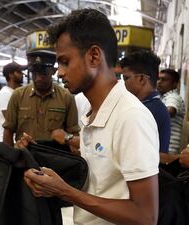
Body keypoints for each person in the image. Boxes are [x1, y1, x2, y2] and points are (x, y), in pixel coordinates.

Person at [23, 9, 159, 225]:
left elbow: (145, 216)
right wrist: (38, 153)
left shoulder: (130, 117)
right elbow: (99, 181)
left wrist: (66, 192)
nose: (59, 73)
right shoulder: (94, 111)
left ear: (94, 56)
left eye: (65, 62)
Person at [2, 49, 79, 147]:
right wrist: (9, 158)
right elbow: (8, 130)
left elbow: (74, 133)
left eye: (43, 74)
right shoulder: (18, 95)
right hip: (24, 157)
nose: (38, 78)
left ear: (53, 71)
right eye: (34, 73)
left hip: (55, 158)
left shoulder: (66, 98)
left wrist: (67, 137)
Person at [119, 50, 172, 163]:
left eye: (126, 78)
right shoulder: (144, 105)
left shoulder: (149, 110)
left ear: (142, 79)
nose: (124, 84)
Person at [157, 69, 186, 155]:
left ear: (175, 84)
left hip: (168, 150)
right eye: (158, 79)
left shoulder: (173, 96)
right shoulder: (162, 97)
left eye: (164, 80)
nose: (159, 82)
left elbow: (170, 111)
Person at [0, 62, 25, 141]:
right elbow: (9, 118)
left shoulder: (15, 92)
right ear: (10, 75)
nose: (22, 74)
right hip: (9, 139)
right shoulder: (5, 93)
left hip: (17, 138)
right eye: (19, 72)